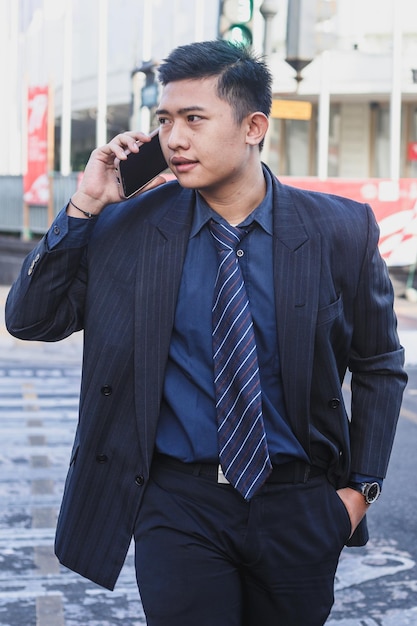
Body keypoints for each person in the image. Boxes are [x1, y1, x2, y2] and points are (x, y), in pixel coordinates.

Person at [5, 39, 407, 626]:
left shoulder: (338, 230)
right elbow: (31, 318)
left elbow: (378, 364)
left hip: (299, 503)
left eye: (195, 119)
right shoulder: (129, 226)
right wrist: (87, 204)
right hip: (177, 505)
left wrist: (359, 492)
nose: (174, 139)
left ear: (253, 126)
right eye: (165, 120)